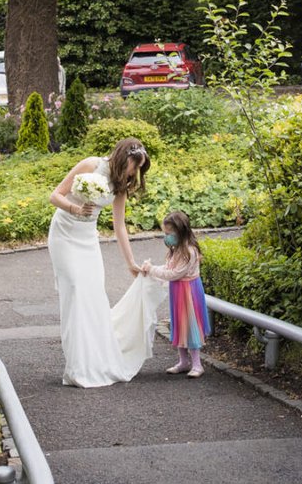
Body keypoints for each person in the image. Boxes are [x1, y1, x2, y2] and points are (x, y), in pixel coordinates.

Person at [47, 137, 161, 387]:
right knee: (75, 292)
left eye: (139, 169)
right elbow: (55, 196)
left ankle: (95, 359)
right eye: (134, 165)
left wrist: (130, 261)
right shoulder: (91, 165)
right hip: (64, 234)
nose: (135, 172)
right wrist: (74, 209)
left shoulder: (121, 184)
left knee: (96, 293)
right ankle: (77, 366)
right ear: (124, 157)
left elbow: (119, 226)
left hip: (88, 239)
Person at [142, 210, 211, 378]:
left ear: (180, 231)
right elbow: (168, 269)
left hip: (189, 291)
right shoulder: (176, 248)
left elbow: (175, 274)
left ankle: (197, 364)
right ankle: (183, 361)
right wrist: (152, 270)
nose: (167, 237)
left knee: (191, 325)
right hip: (178, 291)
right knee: (179, 324)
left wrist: (152, 269)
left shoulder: (190, 251)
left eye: (169, 233)